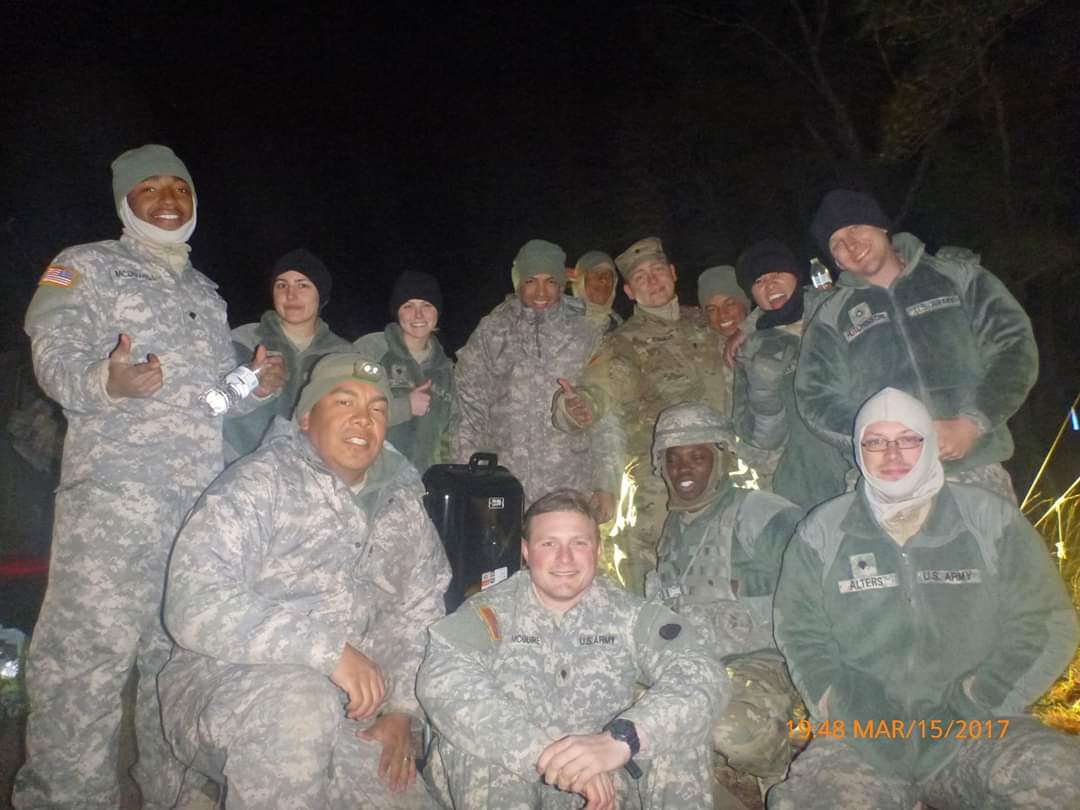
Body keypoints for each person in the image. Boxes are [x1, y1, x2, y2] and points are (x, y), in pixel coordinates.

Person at [15, 144, 285, 809]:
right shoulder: (87, 266)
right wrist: (104, 380)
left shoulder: (204, 293)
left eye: (180, 189)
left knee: (175, 659)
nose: (168, 200)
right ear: (126, 203)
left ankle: (170, 793)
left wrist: (248, 387)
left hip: (192, 512)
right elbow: (53, 355)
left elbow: (207, 405)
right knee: (83, 666)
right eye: (151, 190)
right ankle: (67, 799)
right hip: (112, 507)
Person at [160, 353, 450, 809]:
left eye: (378, 409)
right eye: (344, 402)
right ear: (306, 416)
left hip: (355, 709)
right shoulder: (259, 483)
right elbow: (193, 603)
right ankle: (210, 784)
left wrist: (401, 711)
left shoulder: (403, 506)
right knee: (299, 704)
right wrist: (327, 652)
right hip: (224, 687)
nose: (364, 418)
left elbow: (420, 613)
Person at [770, 387, 1080, 809]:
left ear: (930, 442)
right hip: (867, 737)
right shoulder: (822, 530)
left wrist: (981, 696)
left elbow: (1047, 621)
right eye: (875, 442)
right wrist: (837, 704)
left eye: (908, 439)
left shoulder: (989, 518)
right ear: (859, 450)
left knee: (1059, 777)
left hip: (977, 727)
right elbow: (800, 631)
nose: (892, 453)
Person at [417, 488, 727, 809]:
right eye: (549, 544)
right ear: (526, 551)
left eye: (578, 543)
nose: (564, 559)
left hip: (606, 777)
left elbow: (703, 674)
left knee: (679, 734)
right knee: (478, 746)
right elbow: (444, 684)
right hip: (515, 773)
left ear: (597, 550)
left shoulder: (632, 615)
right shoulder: (488, 613)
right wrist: (547, 754)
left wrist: (623, 739)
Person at [797, 189, 1038, 501]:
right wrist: (886, 444)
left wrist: (973, 422)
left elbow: (1014, 348)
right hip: (887, 484)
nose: (850, 245)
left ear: (881, 227)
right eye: (836, 244)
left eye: (855, 228)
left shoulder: (958, 277)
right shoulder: (830, 316)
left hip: (974, 469)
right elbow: (814, 399)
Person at [553, 237, 751, 595]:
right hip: (661, 482)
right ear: (629, 291)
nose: (653, 281)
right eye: (641, 277)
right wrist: (577, 406)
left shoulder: (708, 322)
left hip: (729, 473)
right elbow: (598, 391)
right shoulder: (625, 343)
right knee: (655, 575)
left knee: (738, 567)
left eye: (658, 271)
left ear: (673, 273)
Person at [646, 402, 804, 794]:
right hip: (698, 668)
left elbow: (821, 585)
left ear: (721, 460)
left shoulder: (757, 513)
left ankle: (789, 773)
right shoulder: (673, 531)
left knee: (729, 729)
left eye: (698, 457)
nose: (683, 469)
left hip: (765, 665)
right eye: (673, 458)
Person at [450, 239, 602, 504]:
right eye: (531, 281)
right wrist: (467, 477)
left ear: (562, 284)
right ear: (518, 282)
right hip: (504, 485)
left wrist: (606, 485)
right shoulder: (491, 331)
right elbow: (468, 412)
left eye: (551, 281)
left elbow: (607, 416)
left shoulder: (586, 333)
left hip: (571, 485)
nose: (541, 292)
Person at [732, 239, 849, 508]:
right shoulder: (751, 348)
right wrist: (765, 398)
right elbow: (761, 443)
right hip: (803, 484)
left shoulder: (837, 313)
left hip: (866, 467)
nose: (769, 284)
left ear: (796, 276)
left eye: (777, 274)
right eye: (759, 281)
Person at [224, 247, 350, 461]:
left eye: (303, 285)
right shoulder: (243, 340)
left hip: (314, 472)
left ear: (321, 295)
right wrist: (256, 388)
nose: (290, 294)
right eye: (281, 285)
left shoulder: (343, 355)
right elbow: (213, 406)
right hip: (239, 468)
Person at [354, 270, 452, 474]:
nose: (418, 315)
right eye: (408, 306)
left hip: (424, 488)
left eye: (426, 305)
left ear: (437, 312)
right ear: (397, 311)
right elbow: (345, 412)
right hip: (371, 481)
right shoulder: (370, 350)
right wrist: (404, 407)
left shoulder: (447, 370)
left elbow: (452, 436)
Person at [568, 250, 623, 334]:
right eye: (596, 273)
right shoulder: (558, 320)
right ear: (581, 280)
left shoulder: (620, 326)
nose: (603, 279)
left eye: (608, 274)